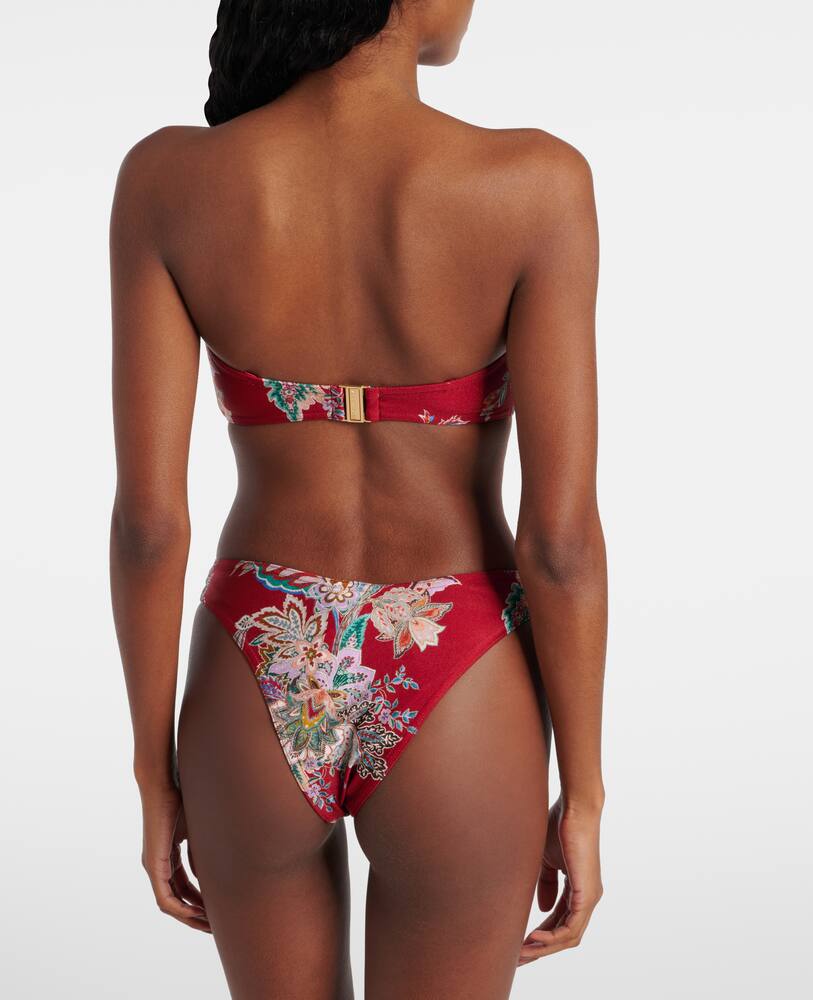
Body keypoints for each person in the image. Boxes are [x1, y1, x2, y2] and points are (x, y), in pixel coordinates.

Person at [110, 1, 606, 996]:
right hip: (458, 658)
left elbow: (150, 527)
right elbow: (558, 542)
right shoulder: (535, 182)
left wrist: (153, 775)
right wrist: (584, 795)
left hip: (258, 650)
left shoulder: (168, 180)